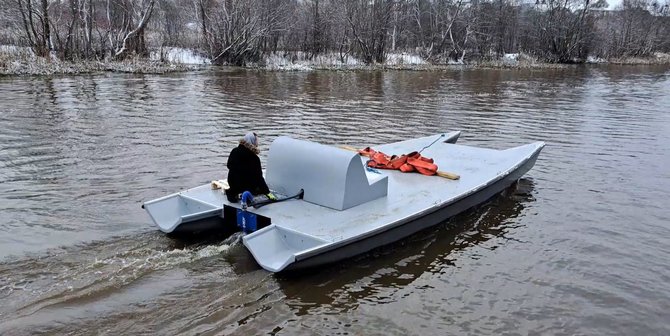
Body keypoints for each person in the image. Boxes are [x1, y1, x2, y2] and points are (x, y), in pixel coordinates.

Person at [225, 132, 273, 203]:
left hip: (232, 183)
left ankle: (232, 193)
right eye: (256, 141)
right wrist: (268, 193)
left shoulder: (234, 151)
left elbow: (229, 165)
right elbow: (259, 178)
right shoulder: (254, 158)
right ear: (252, 142)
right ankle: (247, 195)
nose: (257, 143)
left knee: (238, 177)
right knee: (257, 187)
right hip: (246, 186)